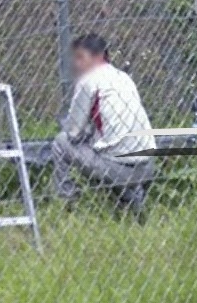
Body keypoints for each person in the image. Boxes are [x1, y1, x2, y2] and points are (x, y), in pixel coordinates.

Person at [52, 33, 157, 218]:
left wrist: (72, 126)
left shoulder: (88, 80)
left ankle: (67, 203)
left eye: (80, 57)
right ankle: (132, 204)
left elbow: (73, 133)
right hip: (148, 166)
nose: (76, 63)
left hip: (118, 169)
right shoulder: (123, 77)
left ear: (99, 56)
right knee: (108, 145)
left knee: (60, 142)